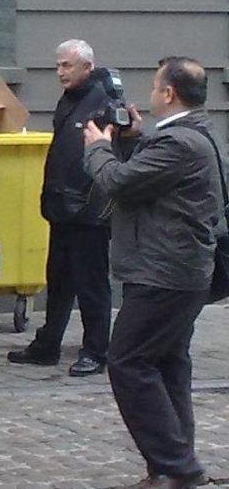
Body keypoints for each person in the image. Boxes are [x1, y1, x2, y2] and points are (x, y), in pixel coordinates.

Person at [84, 57, 217, 489]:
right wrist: (136, 137)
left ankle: (177, 464)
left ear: (169, 94)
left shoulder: (179, 143)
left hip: (164, 273)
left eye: (156, 85)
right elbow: (152, 178)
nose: (151, 93)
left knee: (128, 361)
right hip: (180, 271)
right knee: (168, 363)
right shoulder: (194, 135)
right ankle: (173, 463)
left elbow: (119, 182)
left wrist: (97, 148)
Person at [8, 39, 111, 376]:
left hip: (88, 211)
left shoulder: (104, 102)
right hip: (61, 207)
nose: (60, 72)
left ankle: (96, 350)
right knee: (59, 280)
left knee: (91, 285)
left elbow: (115, 153)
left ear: (87, 67)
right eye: (58, 66)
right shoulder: (70, 100)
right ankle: (48, 343)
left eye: (67, 66)